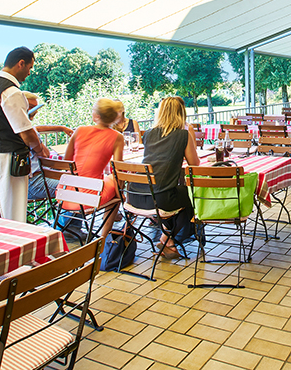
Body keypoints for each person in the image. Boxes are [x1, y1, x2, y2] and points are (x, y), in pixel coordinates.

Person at [0, 47, 50, 223]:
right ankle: (15, 239)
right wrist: (40, 150)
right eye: (29, 68)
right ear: (20, 63)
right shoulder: (11, 92)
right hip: (8, 155)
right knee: (13, 210)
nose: (29, 73)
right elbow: (25, 132)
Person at [127, 96, 199, 259]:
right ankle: (167, 238)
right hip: (159, 198)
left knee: (177, 193)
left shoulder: (148, 134)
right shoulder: (183, 135)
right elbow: (194, 165)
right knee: (192, 195)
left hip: (135, 195)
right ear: (181, 113)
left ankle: (168, 238)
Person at [62, 98, 124, 242]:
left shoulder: (79, 130)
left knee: (113, 185)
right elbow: (117, 169)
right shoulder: (117, 137)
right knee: (117, 190)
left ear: (96, 115)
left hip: (65, 194)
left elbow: (67, 161)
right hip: (90, 196)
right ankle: (103, 237)